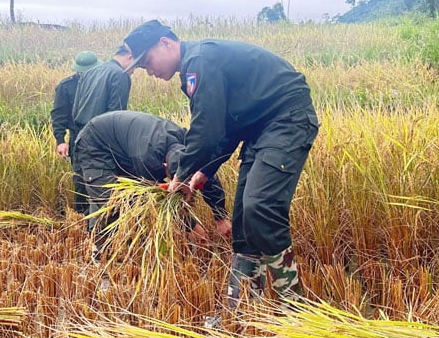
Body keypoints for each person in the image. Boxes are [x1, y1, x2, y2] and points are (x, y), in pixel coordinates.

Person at [121, 20, 319, 317]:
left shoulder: (199, 61)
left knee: (260, 207)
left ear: (165, 43)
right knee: (243, 219)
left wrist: (182, 173)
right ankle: (239, 311)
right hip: (258, 129)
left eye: (147, 61)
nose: (149, 70)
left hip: (286, 119)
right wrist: (204, 171)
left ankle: (295, 309)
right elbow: (227, 127)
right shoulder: (195, 65)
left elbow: (207, 130)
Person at [72, 110, 232, 253]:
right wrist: (190, 226)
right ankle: (101, 248)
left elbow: (206, 175)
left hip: (126, 144)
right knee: (112, 200)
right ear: (165, 167)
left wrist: (220, 216)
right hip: (94, 142)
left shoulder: (189, 148)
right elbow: (158, 200)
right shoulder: (147, 159)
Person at [51, 50, 99, 214]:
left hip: (101, 135)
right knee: (80, 178)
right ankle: (81, 216)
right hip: (77, 137)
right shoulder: (66, 87)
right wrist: (60, 140)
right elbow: (58, 115)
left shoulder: (102, 83)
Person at [71, 45, 135, 135]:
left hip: (79, 135)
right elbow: (116, 115)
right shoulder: (121, 75)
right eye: (135, 66)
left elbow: (75, 107)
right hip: (99, 137)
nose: (133, 71)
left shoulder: (89, 72)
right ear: (130, 57)